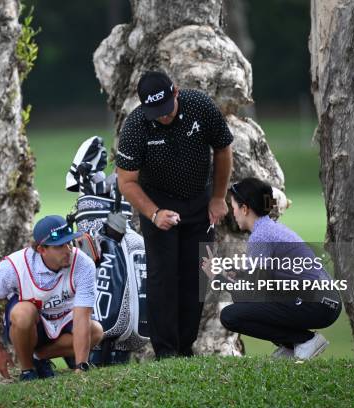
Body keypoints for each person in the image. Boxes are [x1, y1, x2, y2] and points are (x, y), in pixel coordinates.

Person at [116, 71, 233, 358]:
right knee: (162, 277)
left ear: (176, 92)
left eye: (167, 110)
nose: (163, 117)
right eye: (156, 113)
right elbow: (126, 182)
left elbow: (223, 147)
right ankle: (166, 351)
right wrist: (154, 214)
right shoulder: (135, 126)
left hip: (199, 199)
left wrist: (218, 197)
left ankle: (185, 347)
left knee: (197, 275)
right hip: (157, 202)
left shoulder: (200, 106)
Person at [203, 177, 342, 360]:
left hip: (318, 304)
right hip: (325, 301)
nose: (233, 212)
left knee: (230, 315)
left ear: (245, 209)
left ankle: (304, 340)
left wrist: (218, 279)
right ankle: (291, 345)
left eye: (234, 207)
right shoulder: (269, 229)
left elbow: (250, 293)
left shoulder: (261, 237)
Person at [0, 215, 104, 381]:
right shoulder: (13, 266)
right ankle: (28, 370)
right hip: (32, 324)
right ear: (41, 250)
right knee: (23, 313)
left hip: (63, 318)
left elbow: (82, 317)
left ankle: (39, 357)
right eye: (59, 246)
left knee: (96, 331)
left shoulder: (84, 264)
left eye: (69, 243)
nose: (67, 250)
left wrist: (81, 366)